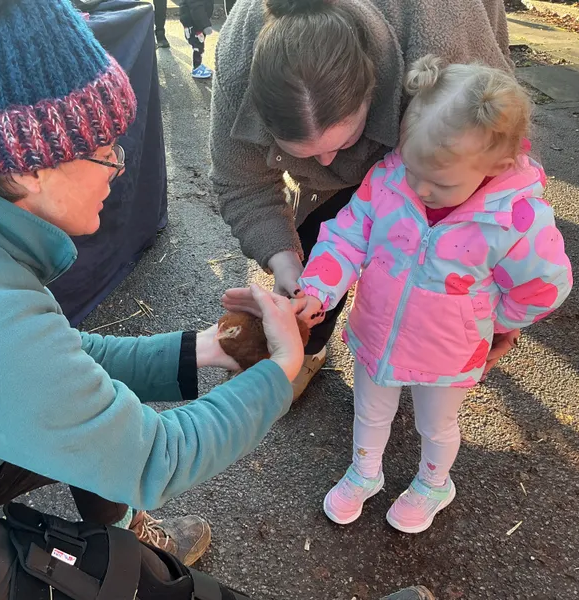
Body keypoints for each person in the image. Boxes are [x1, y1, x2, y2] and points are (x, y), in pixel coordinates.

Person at [0, 0, 308, 597]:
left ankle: (125, 528)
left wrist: (209, 349)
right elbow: (153, 458)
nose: (119, 166)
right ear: (28, 166)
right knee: (111, 579)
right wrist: (279, 371)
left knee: (91, 418)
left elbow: (58, 367)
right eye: (104, 148)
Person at [294, 56, 573, 533]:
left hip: (449, 350)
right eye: (413, 169)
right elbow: (346, 235)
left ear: (496, 166)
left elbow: (546, 284)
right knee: (370, 410)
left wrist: (493, 320)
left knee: (436, 425)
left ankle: (433, 482)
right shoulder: (388, 179)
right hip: (378, 333)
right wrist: (318, 288)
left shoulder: (516, 219)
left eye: (440, 183)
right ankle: (365, 471)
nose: (421, 188)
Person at [210, 0, 520, 401]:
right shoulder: (238, 50)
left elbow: (500, 147)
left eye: (343, 142)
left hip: (430, 130)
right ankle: (310, 344)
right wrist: (284, 260)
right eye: (304, 154)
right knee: (317, 237)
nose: (327, 163)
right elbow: (242, 183)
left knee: (442, 249)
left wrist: (505, 306)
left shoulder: (443, 37)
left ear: (375, 91)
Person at [179, 0, 215, 79]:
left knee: (199, 43)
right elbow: (196, 8)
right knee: (197, 45)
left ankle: (198, 65)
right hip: (193, 22)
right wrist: (205, 25)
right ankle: (196, 68)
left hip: (196, 21)